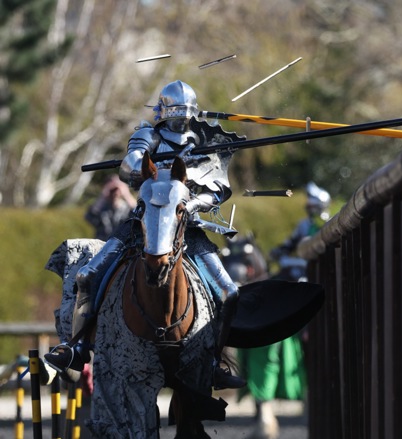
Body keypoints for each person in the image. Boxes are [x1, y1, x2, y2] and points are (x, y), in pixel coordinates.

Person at [45, 80, 245, 389]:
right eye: (176, 113)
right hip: (142, 224)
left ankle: (212, 360)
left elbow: (219, 189)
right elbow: (129, 168)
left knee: (228, 292)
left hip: (185, 227)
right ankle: (78, 347)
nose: (180, 120)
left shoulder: (204, 142)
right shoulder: (148, 135)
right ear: (164, 112)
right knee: (87, 275)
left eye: (185, 114)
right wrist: (155, 166)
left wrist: (192, 200)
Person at [239, 182, 330, 439]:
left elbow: (314, 254)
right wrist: (279, 252)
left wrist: (290, 258)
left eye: (313, 205)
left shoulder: (327, 225)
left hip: (312, 278)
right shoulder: (303, 225)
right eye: (308, 205)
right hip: (293, 276)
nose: (310, 208)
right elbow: (288, 246)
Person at [85, 175, 136, 241]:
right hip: (102, 242)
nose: (115, 192)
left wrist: (126, 194)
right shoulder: (102, 206)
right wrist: (104, 194)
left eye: (117, 189)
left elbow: (139, 214)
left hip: (121, 243)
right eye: (112, 189)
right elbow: (90, 217)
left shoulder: (127, 208)